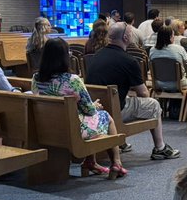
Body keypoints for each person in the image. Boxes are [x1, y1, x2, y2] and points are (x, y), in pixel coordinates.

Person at [85, 23, 180, 161]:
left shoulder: (96, 56)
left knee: (124, 98)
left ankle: (120, 142)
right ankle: (160, 148)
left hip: (96, 108)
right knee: (153, 104)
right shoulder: (129, 61)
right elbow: (143, 94)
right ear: (125, 37)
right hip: (116, 111)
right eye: (130, 33)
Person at [32, 39, 126, 177]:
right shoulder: (72, 80)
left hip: (47, 127)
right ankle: (116, 163)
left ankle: (90, 162)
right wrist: (95, 105)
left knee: (86, 117)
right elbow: (90, 110)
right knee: (105, 115)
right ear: (64, 57)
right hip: (72, 129)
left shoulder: (36, 78)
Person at [149, 25, 187, 92]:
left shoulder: (152, 50)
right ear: (170, 37)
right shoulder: (179, 49)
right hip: (178, 84)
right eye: (173, 35)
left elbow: (150, 67)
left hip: (158, 84)